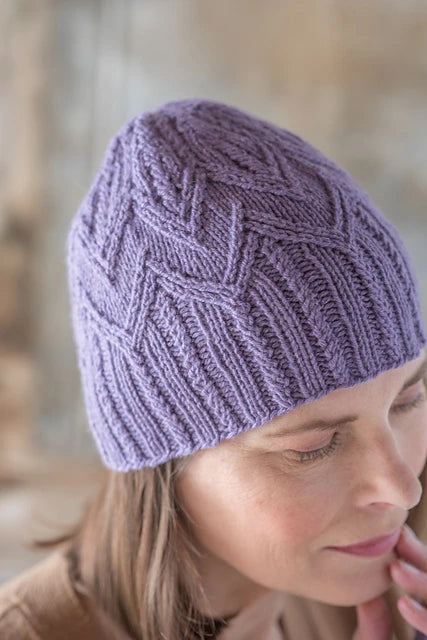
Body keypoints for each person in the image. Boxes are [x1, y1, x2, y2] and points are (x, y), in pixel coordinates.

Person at [0, 98, 427, 640]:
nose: (402, 489)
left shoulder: (383, 592)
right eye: (314, 447)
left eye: (407, 401)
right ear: (161, 461)